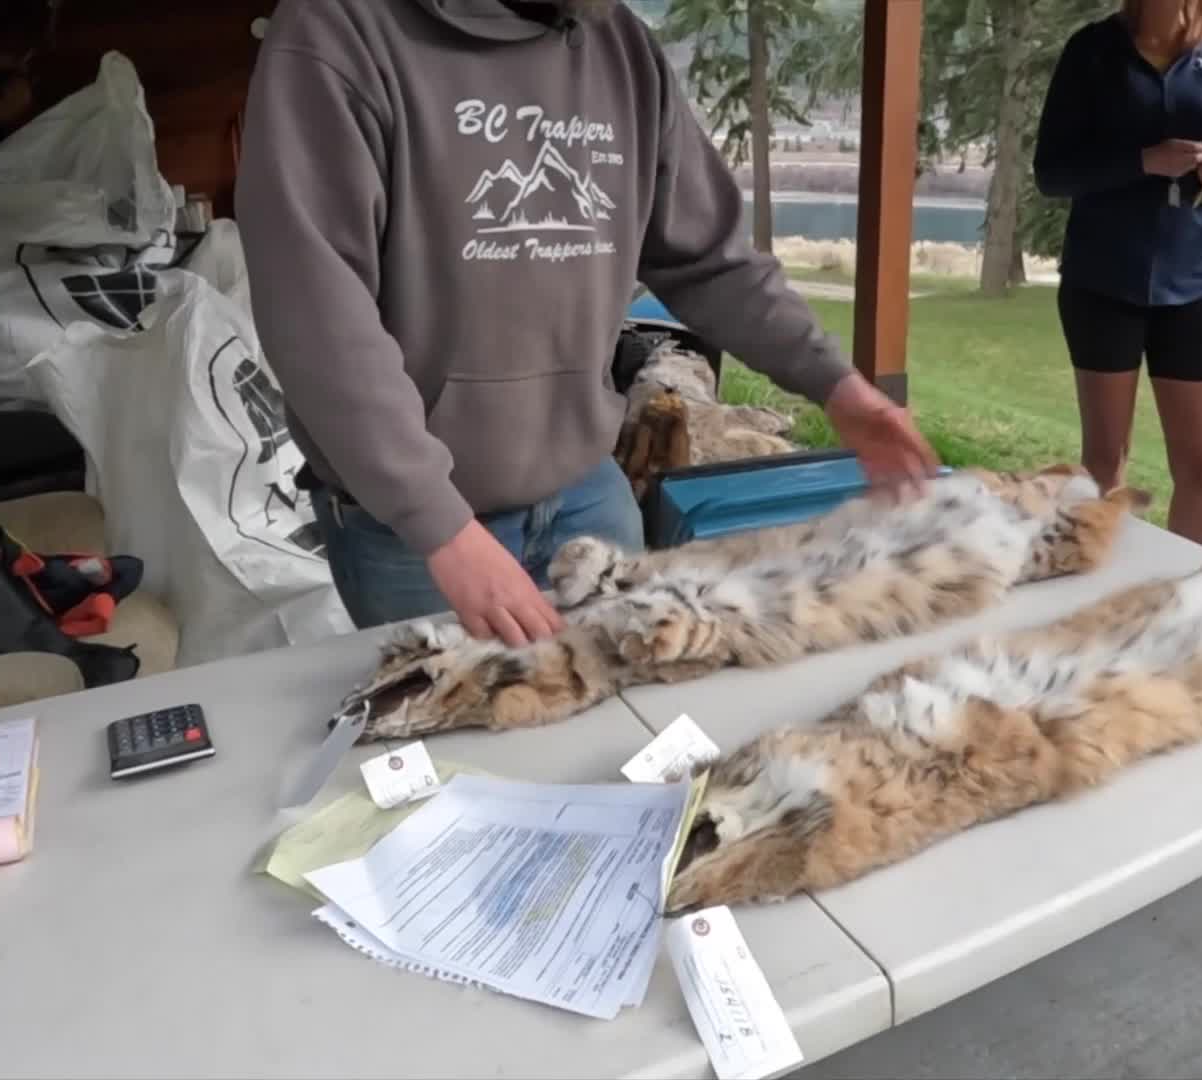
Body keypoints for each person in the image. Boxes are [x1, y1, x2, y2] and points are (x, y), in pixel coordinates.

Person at [235, 0, 937, 646]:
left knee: (625, 734)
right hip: (413, 533)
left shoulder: (621, 46)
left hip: (585, 493)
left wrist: (837, 386)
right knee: (459, 763)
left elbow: (712, 259)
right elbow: (319, 316)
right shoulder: (338, 33)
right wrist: (437, 523)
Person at [1032, 0, 1202, 547]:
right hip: (1103, 278)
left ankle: (1191, 606)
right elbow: (1051, 172)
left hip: (1191, 281)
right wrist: (1144, 161)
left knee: (1200, 470)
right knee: (1106, 464)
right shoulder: (1092, 52)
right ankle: (1096, 590)